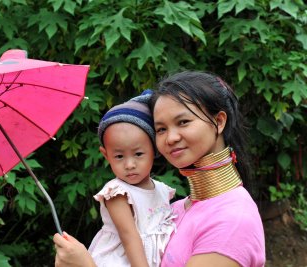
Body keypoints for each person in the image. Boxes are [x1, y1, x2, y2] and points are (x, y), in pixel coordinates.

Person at [53, 71, 266, 267]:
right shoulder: (173, 211)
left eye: (183, 122)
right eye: (161, 129)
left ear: (219, 121)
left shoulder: (232, 219)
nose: (171, 138)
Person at [88, 90, 176, 267]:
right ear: (106, 155)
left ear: (154, 150)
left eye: (138, 154)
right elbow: (129, 236)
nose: (129, 164)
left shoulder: (161, 190)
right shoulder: (118, 193)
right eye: (119, 156)